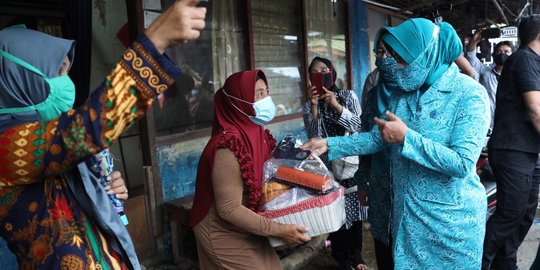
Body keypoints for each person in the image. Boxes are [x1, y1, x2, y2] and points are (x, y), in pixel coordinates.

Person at [0, 0, 207, 268]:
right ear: (21, 81)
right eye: (58, 72)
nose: (67, 82)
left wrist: (103, 190)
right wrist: (154, 42)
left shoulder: (47, 138)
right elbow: (82, 133)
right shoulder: (6, 146)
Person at [301, 18, 490, 269]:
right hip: (407, 219)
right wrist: (330, 143)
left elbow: (462, 163)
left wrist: (406, 138)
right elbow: (378, 138)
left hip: (449, 223)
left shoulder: (469, 94)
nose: (395, 67)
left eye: (402, 59)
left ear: (426, 55)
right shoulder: (402, 94)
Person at [188, 69, 310, 269]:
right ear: (238, 101)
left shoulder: (257, 132)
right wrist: (278, 230)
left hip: (247, 223)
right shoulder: (228, 145)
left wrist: (302, 159)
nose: (266, 99)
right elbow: (229, 209)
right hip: (221, 229)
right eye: (259, 94)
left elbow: (271, 170)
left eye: (266, 92)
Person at [482, 15, 540, 270]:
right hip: (512, 149)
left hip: (529, 151)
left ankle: (505, 264)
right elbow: (535, 110)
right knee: (510, 214)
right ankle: (476, 262)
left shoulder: (534, 62)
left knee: (525, 214)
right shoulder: (525, 59)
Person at [303, 57, 366, 270]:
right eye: (314, 72)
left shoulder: (347, 96)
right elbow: (313, 136)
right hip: (327, 170)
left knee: (354, 213)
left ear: (332, 72)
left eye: (324, 69)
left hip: (349, 166)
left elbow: (359, 126)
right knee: (336, 215)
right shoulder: (309, 103)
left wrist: (336, 106)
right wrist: (314, 107)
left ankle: (357, 257)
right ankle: (341, 258)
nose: (320, 74)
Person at [356, 31, 400, 270]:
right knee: (383, 244)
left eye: (388, 52)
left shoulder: (414, 93)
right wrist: (362, 182)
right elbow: (366, 139)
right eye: (378, 52)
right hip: (380, 182)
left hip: (407, 184)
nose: (381, 59)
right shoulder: (373, 96)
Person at [465, 30, 515, 131]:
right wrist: (474, 41)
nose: (502, 54)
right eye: (499, 52)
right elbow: (471, 57)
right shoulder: (485, 72)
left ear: (513, 55)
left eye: (506, 52)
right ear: (493, 55)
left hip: (511, 125)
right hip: (488, 124)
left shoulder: (518, 75)